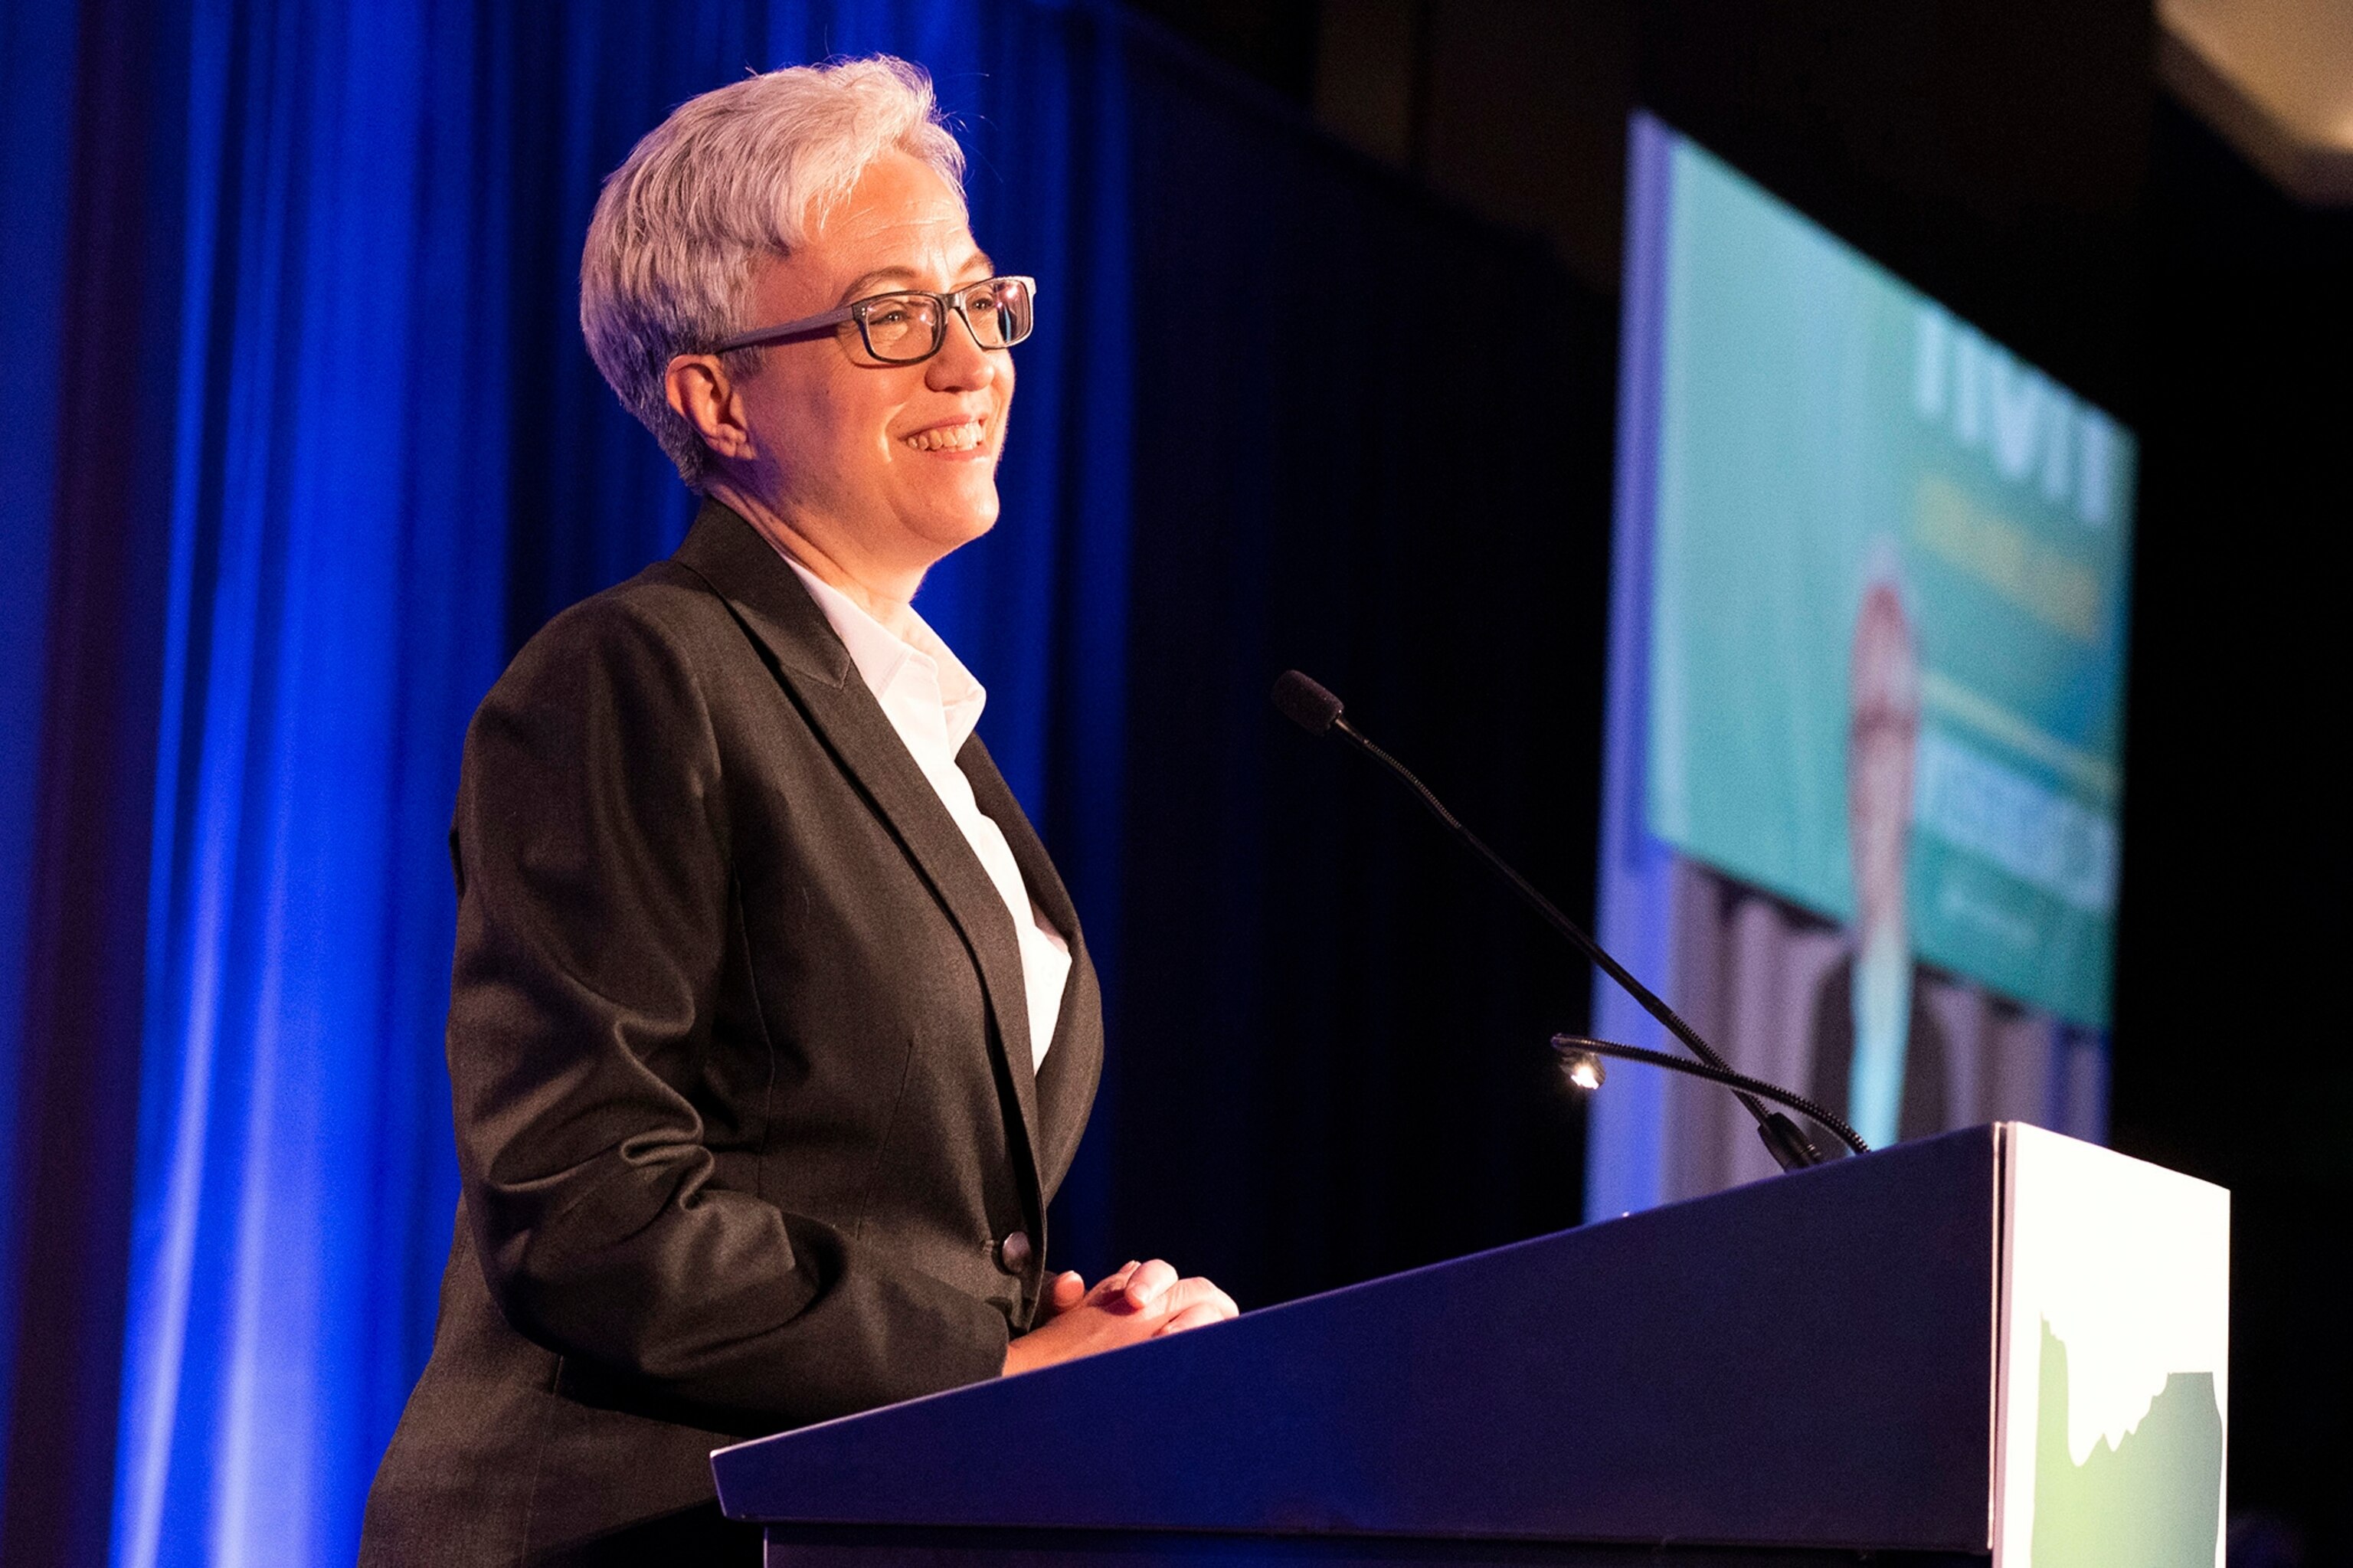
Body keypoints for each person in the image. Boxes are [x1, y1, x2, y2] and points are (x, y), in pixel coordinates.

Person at [361, 57, 1235, 1567]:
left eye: (981, 299)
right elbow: (585, 1204)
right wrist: (989, 1360)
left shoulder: (924, 730)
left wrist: (1083, 1332)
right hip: (618, 1532)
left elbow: (887, 1207)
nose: (972, 361)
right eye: (896, 316)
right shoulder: (635, 675)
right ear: (716, 392)